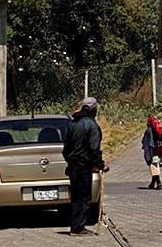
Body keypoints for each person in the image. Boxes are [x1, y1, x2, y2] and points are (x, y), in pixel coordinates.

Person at [63, 97, 108, 237]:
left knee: (76, 197)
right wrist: (101, 165)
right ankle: (78, 228)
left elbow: (65, 149)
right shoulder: (92, 126)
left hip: (73, 166)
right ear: (94, 110)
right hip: (82, 167)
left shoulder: (73, 123)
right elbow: (94, 149)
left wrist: (71, 161)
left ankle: (75, 226)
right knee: (84, 198)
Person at [141, 115, 162, 190]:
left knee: (154, 167)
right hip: (160, 151)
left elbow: (147, 142)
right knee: (155, 166)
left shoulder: (149, 130)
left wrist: (147, 152)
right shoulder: (161, 129)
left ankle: (159, 182)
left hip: (152, 151)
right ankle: (152, 183)